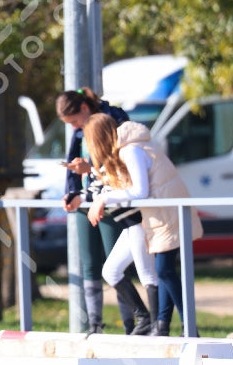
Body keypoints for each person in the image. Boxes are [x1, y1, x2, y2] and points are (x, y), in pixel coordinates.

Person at [83, 113, 203, 337]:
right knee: (161, 271)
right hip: (158, 214)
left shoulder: (131, 150)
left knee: (161, 271)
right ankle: (161, 324)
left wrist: (103, 199)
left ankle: (183, 326)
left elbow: (140, 191)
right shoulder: (126, 150)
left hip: (163, 213)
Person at [57, 88, 138, 334]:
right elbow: (75, 163)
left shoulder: (111, 118)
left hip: (111, 201)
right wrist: (72, 192)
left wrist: (89, 168)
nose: (73, 127)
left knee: (117, 265)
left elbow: (116, 160)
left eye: (73, 122)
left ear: (84, 109)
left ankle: (131, 323)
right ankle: (95, 325)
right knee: (90, 264)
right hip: (87, 201)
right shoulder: (80, 132)